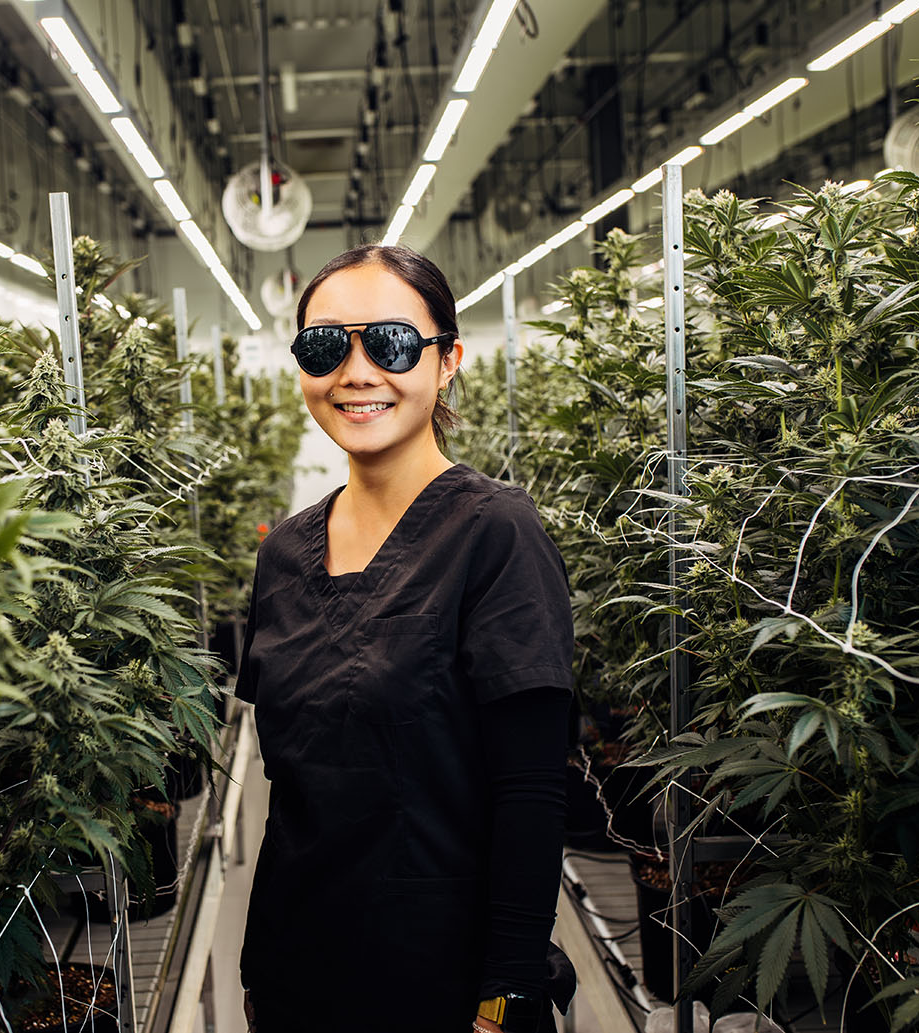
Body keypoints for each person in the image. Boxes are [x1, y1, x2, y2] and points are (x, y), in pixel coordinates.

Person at [234, 244, 577, 1033]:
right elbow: (295, 795)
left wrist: (507, 995)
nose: (355, 372)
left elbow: (531, 791)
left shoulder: (496, 533)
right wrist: (260, 976)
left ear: (448, 359)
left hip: (443, 987)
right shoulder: (284, 553)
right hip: (297, 977)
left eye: (388, 342)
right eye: (326, 346)